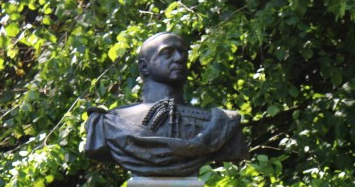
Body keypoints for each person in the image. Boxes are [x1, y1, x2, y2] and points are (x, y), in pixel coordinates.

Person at [84, 32, 247, 176]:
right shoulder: (107, 124)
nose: (179, 58)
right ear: (144, 66)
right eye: (167, 53)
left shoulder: (221, 123)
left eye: (183, 53)